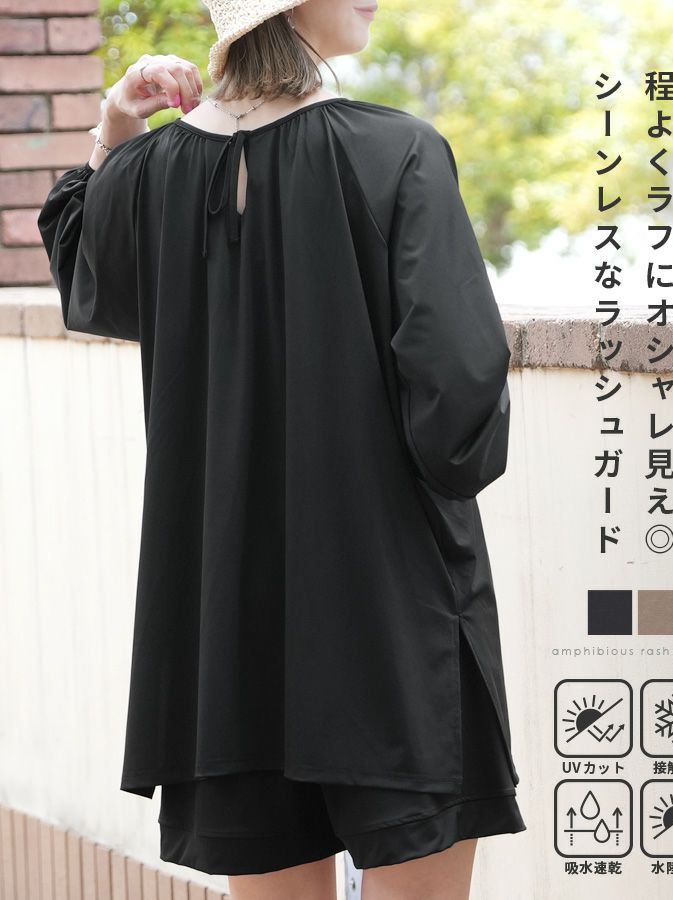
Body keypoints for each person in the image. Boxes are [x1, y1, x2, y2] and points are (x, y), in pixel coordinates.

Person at [37, 1, 526, 898]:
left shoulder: (147, 172)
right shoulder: (398, 151)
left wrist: (115, 127)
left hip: (223, 630)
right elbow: (458, 403)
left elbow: (92, 285)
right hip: (389, 611)